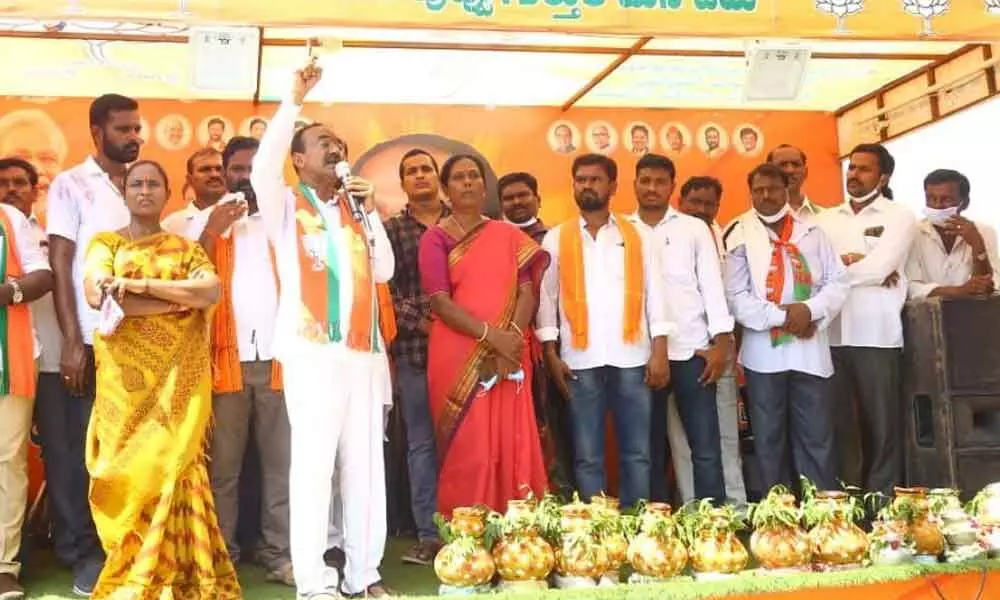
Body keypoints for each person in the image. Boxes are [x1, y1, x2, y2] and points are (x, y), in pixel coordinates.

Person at [250, 61, 395, 599]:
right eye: (323, 143)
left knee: (364, 468)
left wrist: (370, 211)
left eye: (339, 143)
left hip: (361, 356)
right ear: (298, 158)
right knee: (313, 468)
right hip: (312, 353)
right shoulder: (286, 205)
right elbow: (262, 168)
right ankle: (314, 582)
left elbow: (384, 272)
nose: (335, 150)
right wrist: (293, 102)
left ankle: (364, 575)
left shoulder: (356, 209)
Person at [79, 160, 236, 597]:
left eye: (153, 183)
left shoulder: (185, 248)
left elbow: (210, 292)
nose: (144, 190)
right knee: (126, 471)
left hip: (178, 384)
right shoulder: (104, 244)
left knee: (174, 467)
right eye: (136, 184)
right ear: (124, 193)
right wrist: (175, 302)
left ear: (167, 193)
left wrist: (140, 287)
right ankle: (132, 567)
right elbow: (98, 295)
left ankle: (183, 572)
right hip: (125, 387)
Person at [170, 136, 293, 585]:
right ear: (225, 172)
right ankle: (223, 556)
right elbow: (183, 281)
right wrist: (211, 230)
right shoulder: (201, 221)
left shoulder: (284, 219)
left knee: (281, 467)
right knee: (223, 469)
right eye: (237, 169)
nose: (244, 177)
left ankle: (279, 554)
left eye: (253, 169)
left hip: (280, 359)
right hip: (224, 363)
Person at [45, 93, 142, 596]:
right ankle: (85, 552)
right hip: (90, 340)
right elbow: (61, 263)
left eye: (137, 128)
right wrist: (71, 340)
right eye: (123, 129)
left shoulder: (142, 182)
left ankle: (122, 548)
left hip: (136, 347)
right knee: (84, 453)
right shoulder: (71, 185)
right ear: (96, 132)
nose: (134, 137)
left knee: (128, 453)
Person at [537, 154, 671, 508]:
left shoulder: (638, 234)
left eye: (595, 179)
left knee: (638, 452)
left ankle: (637, 526)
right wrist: (550, 352)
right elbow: (546, 298)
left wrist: (660, 350)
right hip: (579, 359)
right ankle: (597, 534)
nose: (587, 185)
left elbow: (656, 293)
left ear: (612, 186)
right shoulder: (556, 238)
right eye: (580, 179)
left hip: (633, 356)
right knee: (587, 454)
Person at [421, 154, 550, 516]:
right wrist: (491, 336)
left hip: (510, 349)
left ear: (484, 185)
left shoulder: (508, 234)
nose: (467, 183)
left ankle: (518, 532)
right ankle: (469, 530)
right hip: (459, 353)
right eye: (458, 178)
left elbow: (528, 289)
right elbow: (439, 302)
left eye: (473, 176)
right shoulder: (436, 238)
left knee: (513, 439)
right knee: (471, 445)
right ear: (445, 190)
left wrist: (510, 337)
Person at [725, 163, 849, 492]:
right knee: (769, 439)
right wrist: (785, 317)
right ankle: (778, 523)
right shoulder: (738, 232)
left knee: (817, 437)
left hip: (810, 350)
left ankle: (823, 516)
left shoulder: (813, 232)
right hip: (763, 356)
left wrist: (809, 311)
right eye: (758, 190)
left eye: (773, 189)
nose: (765, 196)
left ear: (787, 189)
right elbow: (736, 297)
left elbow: (838, 283)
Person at [627, 154, 731, 505]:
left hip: (693, 349)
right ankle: (658, 528)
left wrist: (721, 342)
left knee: (704, 445)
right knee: (648, 446)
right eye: (645, 180)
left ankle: (714, 525)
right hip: (640, 353)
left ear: (672, 186)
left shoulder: (693, 228)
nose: (652, 188)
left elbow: (712, 287)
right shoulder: (623, 230)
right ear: (634, 183)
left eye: (660, 181)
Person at [815, 143, 916, 496]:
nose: (853, 175)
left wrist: (840, 268)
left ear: (883, 176)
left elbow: (881, 267)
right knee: (840, 425)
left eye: (863, 169)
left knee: (882, 425)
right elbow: (813, 271)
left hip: (877, 333)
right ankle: (847, 503)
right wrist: (857, 266)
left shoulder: (899, 215)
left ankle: (883, 503)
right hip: (830, 335)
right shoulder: (824, 219)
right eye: (851, 168)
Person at [384, 148, 447, 565]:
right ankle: (430, 534)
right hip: (416, 352)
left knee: (468, 442)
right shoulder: (391, 230)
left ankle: (472, 527)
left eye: (427, 169)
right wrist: (432, 325)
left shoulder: (466, 224)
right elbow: (387, 293)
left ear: (438, 177)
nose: (421, 176)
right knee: (421, 444)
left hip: (470, 354)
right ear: (403, 184)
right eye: (412, 172)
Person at [498, 171, 574, 498]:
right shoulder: (494, 240)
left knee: (562, 424)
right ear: (500, 205)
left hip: (558, 347)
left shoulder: (556, 239)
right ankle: (522, 494)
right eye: (509, 198)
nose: (517, 202)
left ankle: (566, 494)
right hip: (509, 347)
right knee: (518, 425)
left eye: (523, 195)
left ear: (537, 198)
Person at [0, 157, 55, 600]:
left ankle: (3, 566)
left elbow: (42, 275)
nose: (9, 190)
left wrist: (8, 291)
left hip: (9, 356)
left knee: (6, 462)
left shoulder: (12, 219)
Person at [674, 175, 747, 508]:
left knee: (726, 434)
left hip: (721, 348)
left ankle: (734, 506)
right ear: (681, 202)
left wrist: (725, 345)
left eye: (709, 204)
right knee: (682, 438)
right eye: (695, 202)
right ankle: (693, 507)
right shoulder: (669, 235)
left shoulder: (726, 237)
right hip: (679, 349)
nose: (702, 210)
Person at [906, 169, 999, 300]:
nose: (937, 205)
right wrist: (958, 291)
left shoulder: (984, 231)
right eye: (931, 199)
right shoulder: (912, 232)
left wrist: (978, 245)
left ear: (965, 203)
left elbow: (988, 286)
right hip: (927, 316)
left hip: (973, 314)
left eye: (947, 199)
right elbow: (910, 287)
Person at [768, 145, 823, 220]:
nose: (790, 170)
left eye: (796, 164)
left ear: (805, 172)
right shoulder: (751, 222)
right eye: (782, 165)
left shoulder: (824, 216)